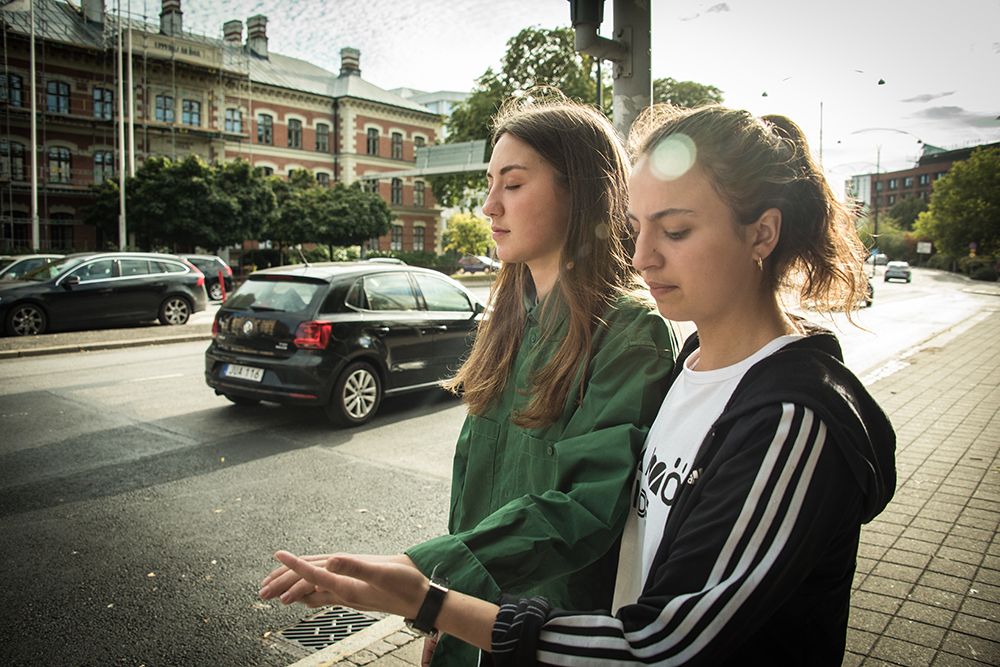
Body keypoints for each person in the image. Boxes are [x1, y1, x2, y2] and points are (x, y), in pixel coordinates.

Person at [265, 104, 897, 666]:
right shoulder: (690, 365)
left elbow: (656, 634)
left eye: (675, 230)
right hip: (508, 628)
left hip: (559, 631)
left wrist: (431, 590)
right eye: (639, 226)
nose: (643, 255)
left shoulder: (778, 412)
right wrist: (448, 609)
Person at [259, 94, 679, 666]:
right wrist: (440, 611)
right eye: (489, 183)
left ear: (581, 192)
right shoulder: (508, 317)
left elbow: (584, 508)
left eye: (513, 183)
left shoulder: (630, 332)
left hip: (541, 637)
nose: (488, 206)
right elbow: (472, 485)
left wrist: (424, 577)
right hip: (460, 620)